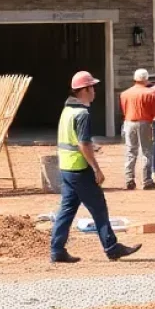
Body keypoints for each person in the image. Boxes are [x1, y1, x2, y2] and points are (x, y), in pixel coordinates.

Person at [50, 71, 142, 264]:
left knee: (66, 211)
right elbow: (83, 144)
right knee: (98, 208)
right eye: (92, 87)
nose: (94, 91)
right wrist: (96, 168)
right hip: (79, 169)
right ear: (84, 90)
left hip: (66, 168)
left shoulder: (67, 111)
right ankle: (111, 247)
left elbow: (75, 141)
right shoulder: (82, 114)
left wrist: (89, 148)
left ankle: (57, 250)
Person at [119, 68, 155, 190]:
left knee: (130, 151)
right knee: (146, 151)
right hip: (144, 122)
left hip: (129, 121)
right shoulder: (150, 93)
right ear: (146, 79)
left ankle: (129, 179)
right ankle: (147, 180)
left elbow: (123, 109)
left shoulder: (124, 94)